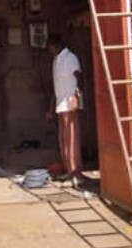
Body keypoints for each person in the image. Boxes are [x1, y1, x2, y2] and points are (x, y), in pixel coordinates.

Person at [46, 33, 84, 188]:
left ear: (56, 46)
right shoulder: (56, 60)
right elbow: (55, 87)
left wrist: (78, 97)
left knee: (72, 139)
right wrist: (50, 108)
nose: (49, 51)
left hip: (70, 102)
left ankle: (77, 173)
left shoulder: (70, 58)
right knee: (63, 139)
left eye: (50, 48)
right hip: (61, 104)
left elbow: (79, 78)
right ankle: (68, 169)